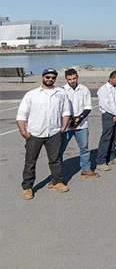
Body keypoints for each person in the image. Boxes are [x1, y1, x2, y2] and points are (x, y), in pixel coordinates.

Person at [16, 68, 71, 200]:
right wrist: (23, 131)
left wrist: (63, 126)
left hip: (54, 133)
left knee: (55, 160)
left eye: (53, 77)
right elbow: (21, 114)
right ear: (42, 78)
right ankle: (27, 188)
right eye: (48, 77)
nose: (50, 79)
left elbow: (66, 111)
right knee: (30, 162)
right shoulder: (31, 94)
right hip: (35, 134)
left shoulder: (60, 93)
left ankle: (57, 182)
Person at [60, 69, 98, 178]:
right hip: (67, 126)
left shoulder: (84, 89)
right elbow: (62, 108)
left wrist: (79, 119)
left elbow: (88, 107)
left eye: (74, 78)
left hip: (82, 125)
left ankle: (86, 169)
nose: (72, 81)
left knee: (84, 148)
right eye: (69, 79)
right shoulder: (62, 91)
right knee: (60, 149)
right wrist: (71, 120)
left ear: (77, 77)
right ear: (66, 79)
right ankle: (58, 172)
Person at [95, 70, 116, 171]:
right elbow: (105, 104)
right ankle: (101, 161)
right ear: (111, 78)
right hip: (109, 115)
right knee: (106, 138)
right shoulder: (103, 90)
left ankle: (111, 156)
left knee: (115, 137)